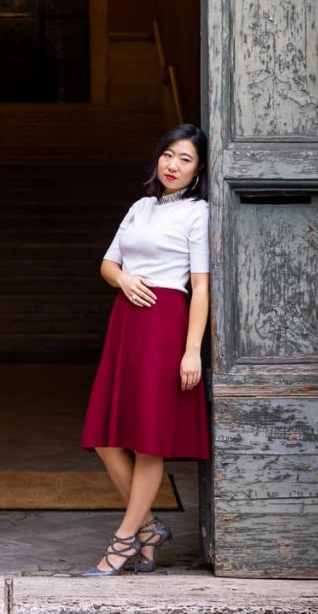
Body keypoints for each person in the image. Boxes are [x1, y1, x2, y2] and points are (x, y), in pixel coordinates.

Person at [80, 123, 210, 576]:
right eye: (168, 155)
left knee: (149, 443)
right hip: (126, 323)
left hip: (165, 324)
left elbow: (200, 286)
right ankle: (151, 528)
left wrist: (192, 350)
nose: (173, 165)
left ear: (197, 171)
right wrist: (124, 279)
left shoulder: (198, 213)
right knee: (105, 438)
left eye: (185, 159)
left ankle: (122, 541)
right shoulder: (140, 207)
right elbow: (107, 262)